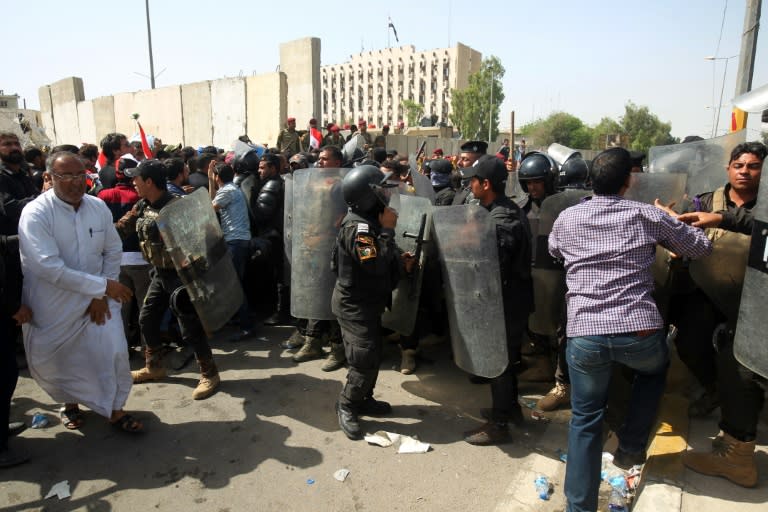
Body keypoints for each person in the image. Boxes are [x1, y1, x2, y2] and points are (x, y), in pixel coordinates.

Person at [549, 147, 712, 512]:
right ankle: (632, 445)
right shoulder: (647, 215)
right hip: (638, 330)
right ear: (629, 181)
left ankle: (579, 507)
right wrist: (674, 219)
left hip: (585, 335)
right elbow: (699, 248)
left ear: (591, 180)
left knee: (585, 420)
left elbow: (555, 252)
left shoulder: (567, 217)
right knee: (654, 371)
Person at [19, 152, 143, 433]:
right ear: (48, 178)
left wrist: (100, 295)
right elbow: (48, 267)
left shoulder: (97, 206)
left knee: (112, 352)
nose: (76, 183)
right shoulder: (36, 213)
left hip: (99, 300)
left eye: (81, 175)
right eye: (66, 176)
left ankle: (115, 410)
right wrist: (102, 286)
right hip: (55, 305)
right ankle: (70, 404)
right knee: (63, 361)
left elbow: (112, 249)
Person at [676, 141, 766, 488]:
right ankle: (718, 393)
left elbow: (757, 225)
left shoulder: (765, 205)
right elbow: (681, 234)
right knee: (691, 341)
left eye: (754, 165)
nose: (745, 170)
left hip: (752, 300)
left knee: (741, 364)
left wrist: (721, 219)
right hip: (708, 292)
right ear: (728, 168)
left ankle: (737, 451)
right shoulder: (703, 199)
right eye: (738, 164)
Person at [117, 159, 221, 400]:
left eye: (136, 179)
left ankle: (210, 373)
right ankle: (154, 366)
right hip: (159, 274)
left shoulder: (178, 207)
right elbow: (122, 228)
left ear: (150, 182)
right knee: (147, 319)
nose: (133, 182)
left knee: (190, 329)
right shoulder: (143, 205)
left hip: (181, 278)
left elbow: (201, 239)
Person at [332, 165, 414, 439]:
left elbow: (381, 257)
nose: (386, 194)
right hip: (354, 305)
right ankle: (347, 404)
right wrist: (389, 232)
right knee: (363, 358)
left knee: (373, 353)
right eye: (380, 189)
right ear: (366, 196)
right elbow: (375, 266)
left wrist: (398, 258)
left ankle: (364, 398)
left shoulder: (370, 221)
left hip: (367, 302)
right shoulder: (359, 229)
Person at [458, 155, 534, 445]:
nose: (470, 185)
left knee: (498, 363)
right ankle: (511, 409)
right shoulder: (501, 210)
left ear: (486, 183)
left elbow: (492, 266)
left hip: (505, 304)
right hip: (510, 301)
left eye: (473, 181)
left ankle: (499, 425)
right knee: (507, 361)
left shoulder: (501, 220)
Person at [208, 161, 254, 340]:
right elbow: (214, 201)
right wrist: (212, 181)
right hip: (239, 240)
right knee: (235, 284)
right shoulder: (229, 189)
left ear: (218, 177)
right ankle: (241, 320)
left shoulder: (227, 191)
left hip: (235, 241)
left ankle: (246, 327)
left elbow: (210, 209)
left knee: (234, 286)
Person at [452, 141, 487, 205]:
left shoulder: (478, 192)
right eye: (460, 159)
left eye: (465, 159)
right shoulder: (463, 182)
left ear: (478, 163)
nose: (458, 163)